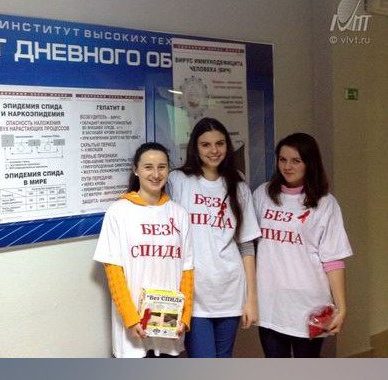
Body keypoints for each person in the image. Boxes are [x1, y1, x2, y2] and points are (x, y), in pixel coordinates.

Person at [166, 117, 261, 358]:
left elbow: (246, 246)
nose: (214, 150)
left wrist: (251, 299)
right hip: (193, 292)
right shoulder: (178, 180)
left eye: (220, 143)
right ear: (195, 147)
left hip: (230, 289)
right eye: (205, 144)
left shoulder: (238, 186)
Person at [253, 133, 352, 357]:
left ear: (309, 163)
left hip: (310, 306)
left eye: (296, 161)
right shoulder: (262, 195)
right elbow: (248, 246)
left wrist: (342, 307)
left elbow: (333, 260)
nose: (287, 167)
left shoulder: (325, 203)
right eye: (282, 159)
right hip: (270, 304)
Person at [93, 142, 194, 358]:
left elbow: (187, 269)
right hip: (134, 325)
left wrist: (184, 318)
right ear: (136, 170)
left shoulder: (179, 213)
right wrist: (131, 318)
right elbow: (114, 271)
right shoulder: (119, 211)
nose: (156, 174)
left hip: (169, 323)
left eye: (162, 167)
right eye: (148, 167)